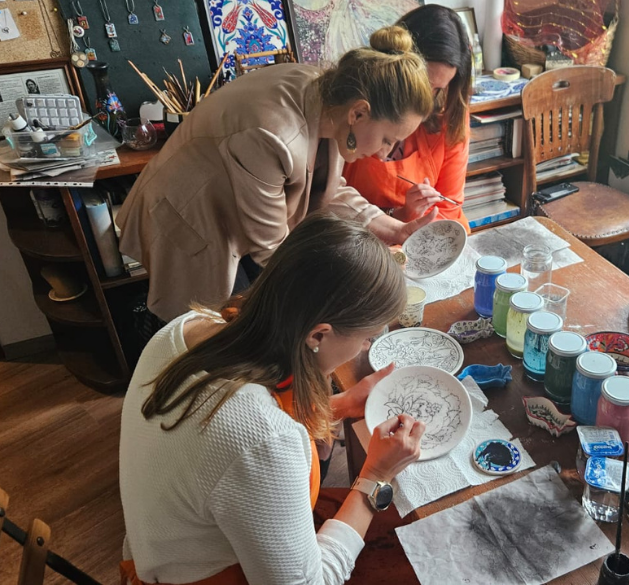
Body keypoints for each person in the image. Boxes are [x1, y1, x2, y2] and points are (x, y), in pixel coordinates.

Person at [119, 212, 426, 585]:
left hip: (162, 542)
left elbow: (229, 443)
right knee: (414, 545)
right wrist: (375, 476)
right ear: (318, 335)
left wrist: (342, 404)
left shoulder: (189, 328)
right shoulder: (265, 441)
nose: (365, 347)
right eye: (366, 338)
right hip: (199, 575)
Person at [116, 26, 436, 322]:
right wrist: (344, 288)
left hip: (237, 206)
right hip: (189, 214)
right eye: (387, 140)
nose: (384, 155)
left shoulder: (333, 98)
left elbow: (330, 186)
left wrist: (395, 230)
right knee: (210, 335)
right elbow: (273, 251)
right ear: (359, 112)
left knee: (260, 311)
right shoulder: (270, 135)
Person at [342, 4, 472, 231]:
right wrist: (400, 216)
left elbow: (448, 208)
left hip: (428, 238)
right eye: (423, 84)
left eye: (437, 90)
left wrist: (410, 221)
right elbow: (331, 208)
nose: (427, 102)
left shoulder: (448, 116)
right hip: (362, 241)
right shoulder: (355, 108)